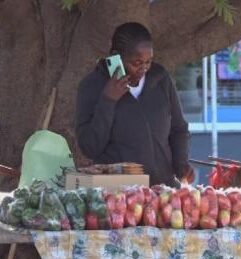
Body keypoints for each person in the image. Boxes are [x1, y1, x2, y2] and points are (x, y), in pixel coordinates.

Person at [75, 22, 193, 187]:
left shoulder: (160, 78)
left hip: (163, 189)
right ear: (116, 57)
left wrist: (181, 164)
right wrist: (108, 100)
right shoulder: (92, 86)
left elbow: (178, 128)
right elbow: (89, 147)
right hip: (119, 194)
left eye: (148, 61)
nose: (144, 68)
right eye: (136, 63)